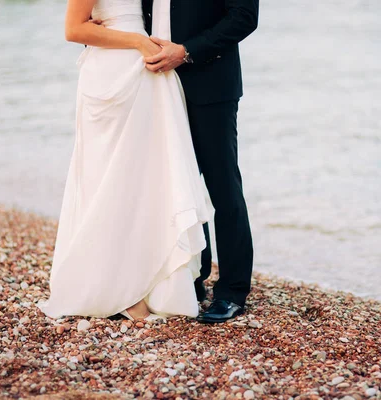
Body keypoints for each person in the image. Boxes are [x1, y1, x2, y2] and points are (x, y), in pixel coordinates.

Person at [36, 0, 211, 322]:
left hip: (147, 72)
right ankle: (116, 288)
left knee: (147, 179)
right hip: (113, 74)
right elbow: (74, 29)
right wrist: (138, 41)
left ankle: (152, 284)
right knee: (110, 178)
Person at [141, 0, 259, 323]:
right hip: (158, 86)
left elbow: (245, 17)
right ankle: (193, 277)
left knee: (223, 188)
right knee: (178, 184)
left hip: (211, 82)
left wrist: (186, 51)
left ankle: (233, 291)